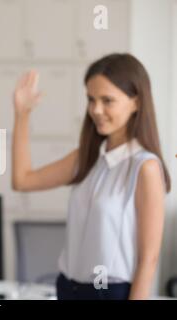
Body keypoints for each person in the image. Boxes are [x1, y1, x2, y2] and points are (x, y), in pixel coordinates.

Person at [11, 53, 170, 300]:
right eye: (91, 99)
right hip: (67, 288)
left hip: (109, 293)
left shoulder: (144, 167)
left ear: (136, 102)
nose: (96, 110)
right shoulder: (87, 157)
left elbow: (148, 259)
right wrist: (22, 114)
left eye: (108, 100)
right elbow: (22, 180)